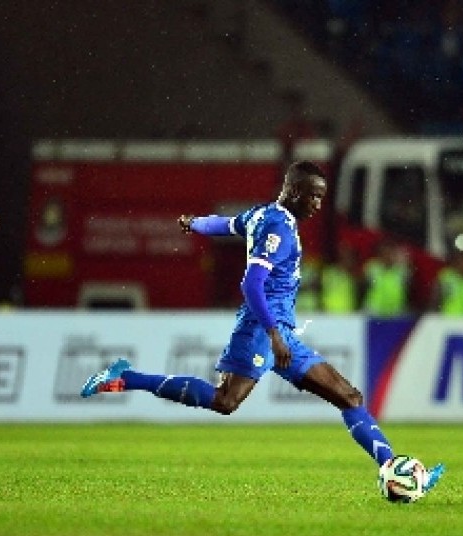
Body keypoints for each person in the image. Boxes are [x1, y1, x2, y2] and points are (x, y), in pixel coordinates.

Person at [80, 161, 443, 494]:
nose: (318, 205)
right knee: (226, 401)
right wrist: (272, 333)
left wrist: (194, 223)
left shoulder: (259, 215)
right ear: (296, 192)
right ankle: (125, 378)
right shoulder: (277, 227)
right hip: (261, 330)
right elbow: (251, 285)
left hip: (282, 333)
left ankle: (393, 468)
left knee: (348, 396)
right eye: (315, 196)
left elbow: (222, 225)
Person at [430, 249, 463, 316]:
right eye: (462, 260)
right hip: (450, 322)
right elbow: (435, 304)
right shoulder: (445, 279)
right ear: (455, 262)